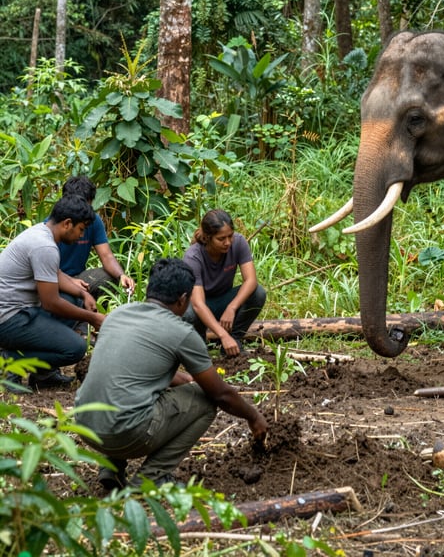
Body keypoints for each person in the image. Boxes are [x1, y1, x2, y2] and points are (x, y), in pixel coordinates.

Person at [75, 257, 268, 490]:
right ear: (183, 299)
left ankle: (111, 468)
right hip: (125, 433)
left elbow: (130, 369)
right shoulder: (181, 332)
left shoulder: (119, 314)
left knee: (123, 393)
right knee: (205, 402)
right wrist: (253, 416)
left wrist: (181, 380)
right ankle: (151, 478)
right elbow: (221, 395)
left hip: (85, 423)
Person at [0, 196, 106, 390]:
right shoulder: (45, 246)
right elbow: (51, 303)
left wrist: (84, 295)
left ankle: (43, 375)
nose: (81, 236)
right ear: (67, 224)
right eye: (81, 229)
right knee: (75, 348)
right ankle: (10, 361)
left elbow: (54, 273)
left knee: (72, 300)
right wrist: (92, 318)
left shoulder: (41, 233)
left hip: (20, 310)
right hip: (8, 319)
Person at [182, 209, 266, 356]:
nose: (228, 242)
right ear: (208, 238)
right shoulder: (193, 257)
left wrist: (232, 308)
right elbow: (198, 304)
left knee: (258, 293)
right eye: (221, 239)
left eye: (230, 236)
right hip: (200, 307)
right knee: (188, 313)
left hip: (223, 301)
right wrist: (222, 334)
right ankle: (200, 347)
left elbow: (251, 280)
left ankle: (234, 340)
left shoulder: (238, 242)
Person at [56, 175, 135, 305]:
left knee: (109, 277)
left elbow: (106, 255)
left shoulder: (93, 221)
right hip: (54, 280)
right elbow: (45, 273)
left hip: (79, 277)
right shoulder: (54, 226)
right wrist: (69, 283)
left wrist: (122, 276)